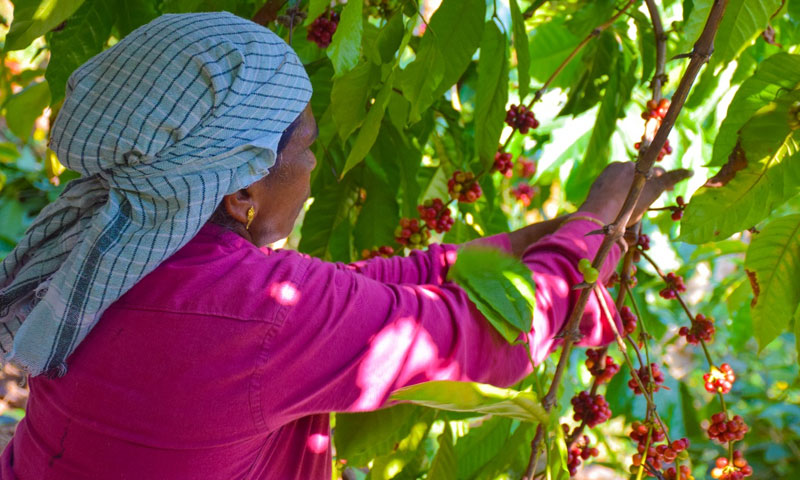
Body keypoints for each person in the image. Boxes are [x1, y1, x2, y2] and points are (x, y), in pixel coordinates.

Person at [0, 12, 688, 480]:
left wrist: (555, 233)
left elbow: (367, 293)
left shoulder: (108, 241)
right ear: (242, 191)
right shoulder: (260, 314)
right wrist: (601, 214)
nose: (313, 165)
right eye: (306, 147)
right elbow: (491, 338)